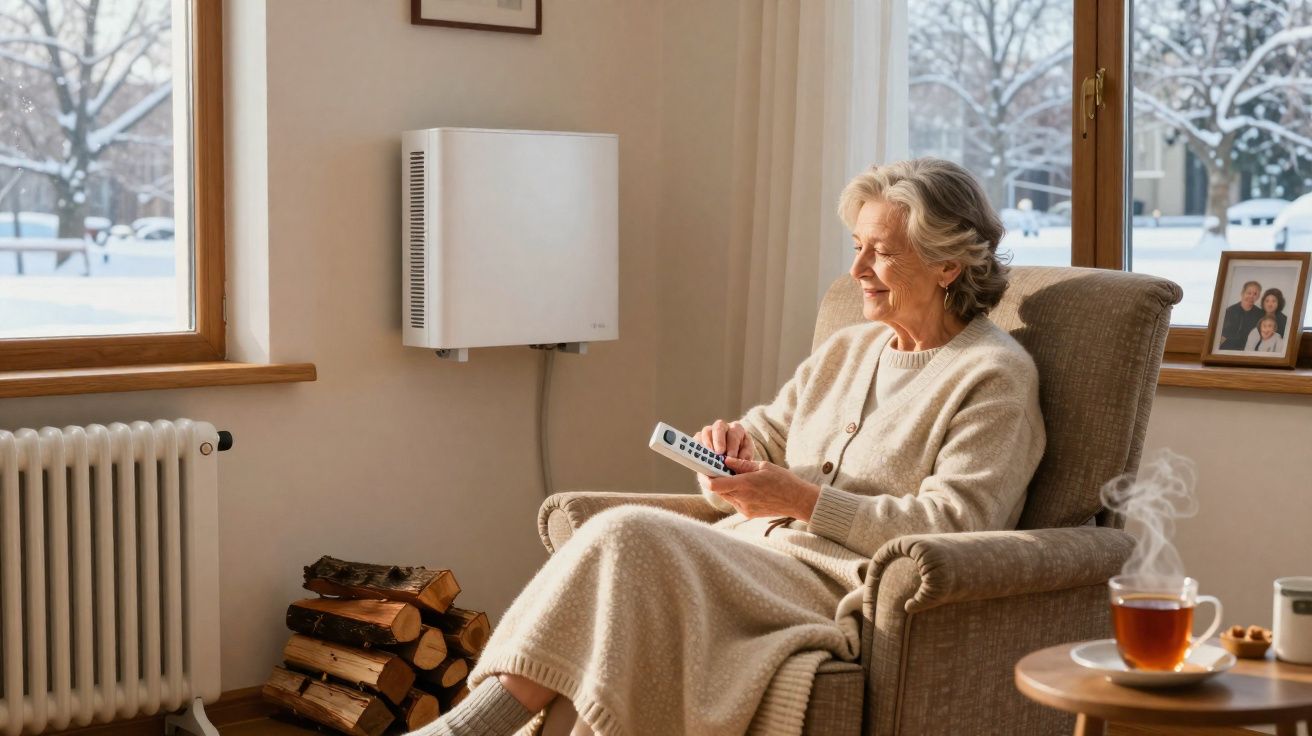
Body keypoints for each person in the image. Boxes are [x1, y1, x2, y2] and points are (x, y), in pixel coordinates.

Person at [407, 159, 1045, 736]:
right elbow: (769, 432)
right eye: (856, 248)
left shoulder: (993, 375)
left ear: (947, 265)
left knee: (627, 533)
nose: (856, 273)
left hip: (835, 586)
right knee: (617, 598)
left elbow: (958, 527)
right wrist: (729, 448)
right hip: (750, 556)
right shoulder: (851, 348)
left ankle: (466, 731)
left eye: (880, 253)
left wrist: (799, 499)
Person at [1219, 280, 1264, 350]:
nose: (1251, 296)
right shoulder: (1229, 311)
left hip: (1250, 350)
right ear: (1242, 293)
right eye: (1249, 293)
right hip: (1228, 349)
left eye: (1255, 294)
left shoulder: (1260, 314)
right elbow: (1222, 336)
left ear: (1258, 297)